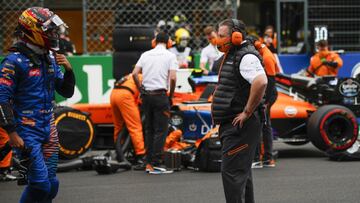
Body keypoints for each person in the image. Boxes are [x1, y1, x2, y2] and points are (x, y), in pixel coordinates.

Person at [0, 7, 75, 202]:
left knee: (52, 185)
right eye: (50, 31)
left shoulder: (49, 57)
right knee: (40, 185)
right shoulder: (13, 61)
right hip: (26, 130)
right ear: (33, 31)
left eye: (54, 30)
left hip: (48, 126)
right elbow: (1, 99)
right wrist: (12, 132)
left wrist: (68, 70)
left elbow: (65, 91)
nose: (55, 34)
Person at [212, 19, 267, 203]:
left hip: (241, 126)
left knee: (232, 174)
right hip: (234, 126)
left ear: (236, 36)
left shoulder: (246, 56)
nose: (217, 40)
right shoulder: (235, 53)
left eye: (221, 36)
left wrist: (247, 111)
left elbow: (261, 82)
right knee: (241, 173)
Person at [132, 32, 178, 174]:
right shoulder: (170, 56)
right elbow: (173, 78)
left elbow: (134, 74)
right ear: (168, 43)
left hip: (146, 96)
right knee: (161, 130)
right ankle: (156, 163)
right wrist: (170, 94)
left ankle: (148, 162)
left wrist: (141, 89)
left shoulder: (146, 54)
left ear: (154, 42)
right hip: (160, 95)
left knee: (149, 129)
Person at [248, 36, 279, 168]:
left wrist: (265, 101)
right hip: (266, 94)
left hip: (267, 95)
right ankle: (266, 157)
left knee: (260, 125)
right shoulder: (263, 52)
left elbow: (271, 80)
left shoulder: (266, 56)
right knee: (264, 125)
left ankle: (259, 158)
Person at [110, 73, 146, 164]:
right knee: (135, 126)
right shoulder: (145, 77)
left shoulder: (129, 75)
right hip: (126, 95)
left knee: (118, 126)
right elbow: (144, 97)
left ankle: (118, 152)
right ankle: (141, 155)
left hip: (113, 94)